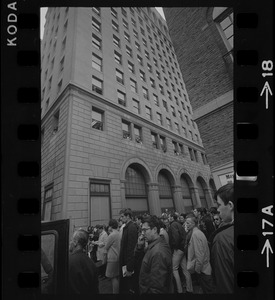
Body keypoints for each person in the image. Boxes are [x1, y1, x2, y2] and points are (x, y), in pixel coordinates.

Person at [134, 215, 173, 293]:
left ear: (154, 229)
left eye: (145, 230)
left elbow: (157, 288)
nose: (142, 233)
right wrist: (139, 247)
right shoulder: (153, 245)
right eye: (142, 230)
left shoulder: (158, 252)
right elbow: (140, 262)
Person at [210, 183, 234, 293]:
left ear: (230, 205)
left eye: (219, 205)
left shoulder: (222, 239)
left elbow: (225, 285)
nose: (218, 210)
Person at [185, 214, 215, 294]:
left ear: (194, 224)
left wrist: (197, 270)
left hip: (203, 270)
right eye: (186, 223)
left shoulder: (195, 234)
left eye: (188, 223)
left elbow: (199, 255)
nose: (186, 225)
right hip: (205, 268)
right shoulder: (197, 232)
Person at [68, 229, 99, 294]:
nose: (69, 243)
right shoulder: (91, 263)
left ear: (75, 242)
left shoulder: (68, 261)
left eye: (71, 240)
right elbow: (95, 290)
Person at [168, 213, 193, 294]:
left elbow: (176, 237)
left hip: (178, 249)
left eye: (169, 217)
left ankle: (179, 290)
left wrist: (174, 247)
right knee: (185, 269)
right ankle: (189, 289)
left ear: (172, 218)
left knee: (174, 269)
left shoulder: (173, 225)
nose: (168, 218)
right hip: (183, 248)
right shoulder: (178, 224)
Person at [119, 208, 138, 294]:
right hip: (125, 262)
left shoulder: (131, 227)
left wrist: (129, 268)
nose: (121, 218)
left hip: (128, 264)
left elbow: (131, 248)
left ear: (128, 216)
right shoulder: (127, 227)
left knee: (129, 287)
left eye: (122, 216)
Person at [104, 219, 121, 294]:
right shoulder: (119, 233)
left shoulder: (112, 235)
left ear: (110, 226)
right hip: (118, 257)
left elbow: (106, 246)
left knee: (113, 277)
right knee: (116, 277)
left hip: (112, 258)